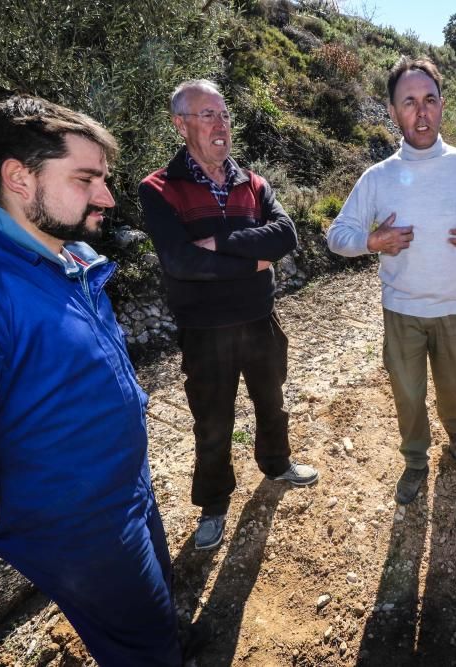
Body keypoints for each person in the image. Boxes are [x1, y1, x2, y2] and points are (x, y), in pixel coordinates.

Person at [0, 96, 181, 665]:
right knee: (140, 641)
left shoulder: (67, 253)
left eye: (104, 178)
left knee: (154, 604)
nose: (107, 196)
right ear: (19, 178)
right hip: (70, 518)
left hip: (124, 484)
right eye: (86, 179)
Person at [326, 57, 456, 505]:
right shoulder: (378, 177)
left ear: (442, 106)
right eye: (409, 102)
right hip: (402, 311)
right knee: (408, 396)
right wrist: (375, 240)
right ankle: (415, 460)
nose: (421, 112)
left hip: (453, 308)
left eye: (429, 100)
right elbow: (338, 236)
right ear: (393, 112)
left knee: (453, 387)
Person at [139, 79, 318, 551]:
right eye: (207, 115)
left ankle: (277, 464)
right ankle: (214, 504)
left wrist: (220, 244)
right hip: (205, 330)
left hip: (260, 318)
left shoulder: (253, 183)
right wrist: (253, 259)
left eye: (224, 115)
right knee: (212, 422)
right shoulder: (159, 188)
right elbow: (180, 263)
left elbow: (285, 237)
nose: (221, 125)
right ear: (181, 124)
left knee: (271, 401)